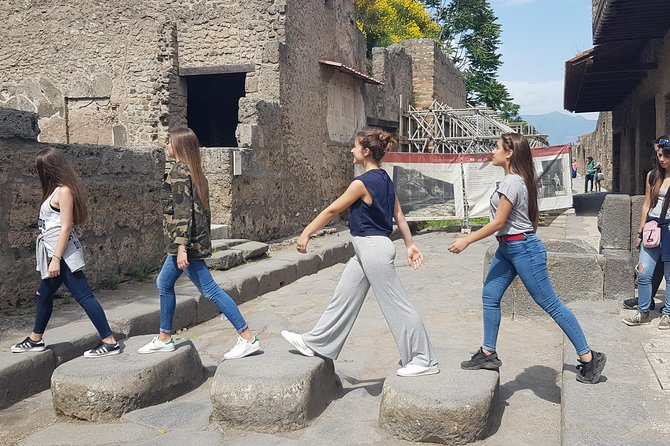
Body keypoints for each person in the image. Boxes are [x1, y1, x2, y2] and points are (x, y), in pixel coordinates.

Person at [448, 133, 606, 384]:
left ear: (509, 153)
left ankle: (589, 358)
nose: (493, 151)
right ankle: (488, 353)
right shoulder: (518, 180)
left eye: (497, 147)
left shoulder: (513, 183)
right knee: (490, 296)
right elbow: (529, 220)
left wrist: (467, 240)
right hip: (509, 249)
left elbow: (499, 222)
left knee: (551, 304)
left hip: (522, 249)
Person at [280, 128, 439, 377]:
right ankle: (316, 342)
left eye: (354, 146)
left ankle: (422, 359)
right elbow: (398, 214)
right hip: (368, 249)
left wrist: (306, 233)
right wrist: (410, 244)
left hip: (373, 249)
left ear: (365, 152)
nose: (351, 150)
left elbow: (332, 210)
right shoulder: (384, 178)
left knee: (397, 304)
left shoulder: (361, 183)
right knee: (344, 297)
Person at [138, 128, 261, 357]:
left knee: (210, 290)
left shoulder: (178, 172)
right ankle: (165, 337)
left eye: (169, 142)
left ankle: (247, 337)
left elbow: (183, 213)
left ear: (179, 147)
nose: (166, 145)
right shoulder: (194, 172)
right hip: (187, 243)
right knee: (164, 282)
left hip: (185, 245)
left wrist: (182, 247)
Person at [10, 148, 120, 358]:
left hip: (63, 256)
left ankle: (109, 340)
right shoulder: (57, 190)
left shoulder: (64, 191)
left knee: (84, 296)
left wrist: (56, 260)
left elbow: (66, 227)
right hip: (55, 253)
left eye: (41, 169)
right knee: (44, 295)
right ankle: (36, 338)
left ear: (50, 169)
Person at [622, 135, 670, 330]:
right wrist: (640, 230)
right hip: (653, 227)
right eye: (659, 155)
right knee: (643, 272)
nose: (662, 159)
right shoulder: (652, 175)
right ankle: (642, 311)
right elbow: (646, 204)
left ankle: (667, 313)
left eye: (666, 155)